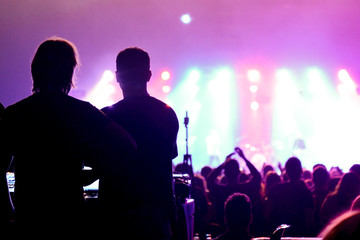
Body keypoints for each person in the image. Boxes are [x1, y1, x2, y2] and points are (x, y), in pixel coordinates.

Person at [0, 37, 136, 236]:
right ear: (69, 71)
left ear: (35, 69)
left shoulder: (15, 113)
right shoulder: (82, 111)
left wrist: (9, 209)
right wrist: (95, 173)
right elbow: (127, 145)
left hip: (29, 216)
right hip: (70, 215)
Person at [101, 47, 179, 239]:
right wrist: (172, 214)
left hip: (115, 215)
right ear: (149, 75)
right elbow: (165, 169)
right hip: (155, 214)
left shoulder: (105, 116)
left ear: (117, 77)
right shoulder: (166, 113)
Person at [207, 148, 261, 228]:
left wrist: (224, 163)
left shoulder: (221, 190)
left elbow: (210, 180)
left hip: (223, 230)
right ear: (239, 172)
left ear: (224, 173)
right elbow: (257, 177)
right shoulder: (245, 189)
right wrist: (244, 158)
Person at [266, 157, 315, 236]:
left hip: (278, 235)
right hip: (299, 235)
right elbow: (309, 219)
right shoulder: (306, 192)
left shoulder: (275, 189)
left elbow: (267, 214)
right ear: (300, 171)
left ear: (287, 172)